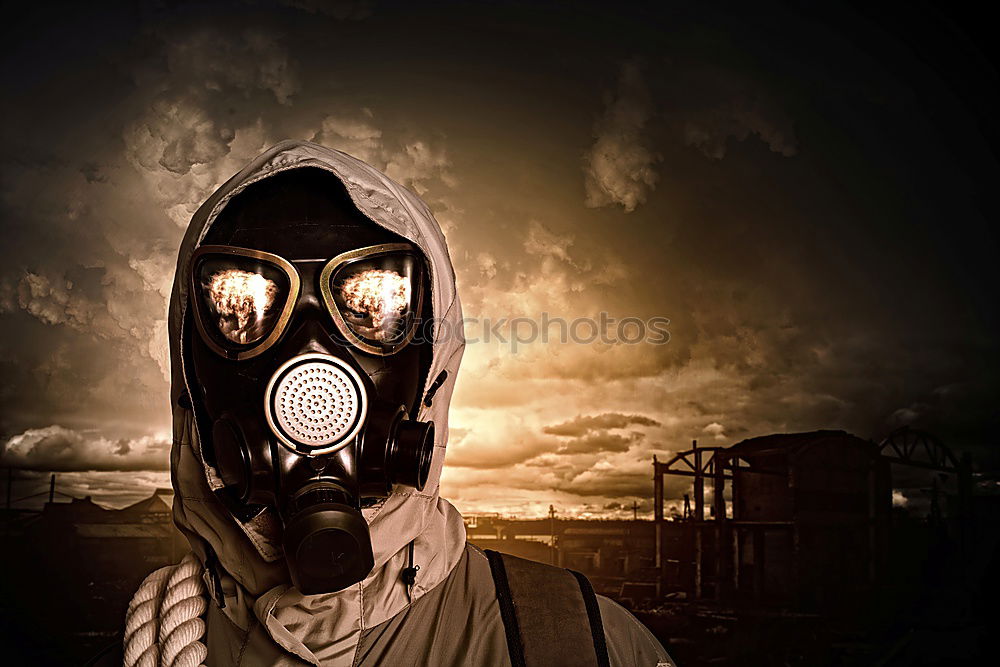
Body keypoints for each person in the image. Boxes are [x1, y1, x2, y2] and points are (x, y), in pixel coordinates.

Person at [116, 141, 675, 666]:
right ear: (191, 373)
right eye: (240, 306)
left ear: (432, 368)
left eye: (371, 304)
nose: (308, 364)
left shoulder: (579, 646)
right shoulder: (147, 643)